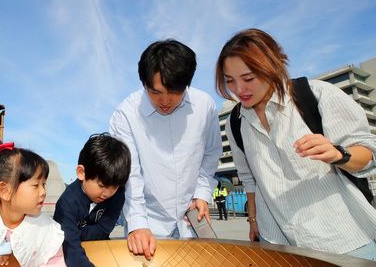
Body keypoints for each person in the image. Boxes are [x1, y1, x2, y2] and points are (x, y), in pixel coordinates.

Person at [215, 28, 376, 260]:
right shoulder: (235, 122)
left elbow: (368, 155)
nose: (239, 90)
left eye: (249, 78)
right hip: (279, 243)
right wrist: (253, 220)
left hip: (344, 240)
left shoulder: (318, 95)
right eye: (230, 81)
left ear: (271, 66)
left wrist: (339, 154)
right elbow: (249, 177)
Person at [109, 39, 222, 259]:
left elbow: (211, 152)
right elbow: (130, 173)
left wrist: (202, 193)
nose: (165, 101)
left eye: (175, 91)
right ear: (144, 84)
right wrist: (138, 223)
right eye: (156, 92)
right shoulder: (126, 115)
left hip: (192, 221)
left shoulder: (205, 106)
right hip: (149, 223)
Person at [54, 133, 131, 267]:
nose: (107, 193)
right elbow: (70, 247)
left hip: (98, 249)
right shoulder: (67, 203)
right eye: (102, 186)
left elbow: (104, 229)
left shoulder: (117, 194)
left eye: (114, 187)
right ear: (81, 173)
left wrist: (77, 233)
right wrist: (75, 235)